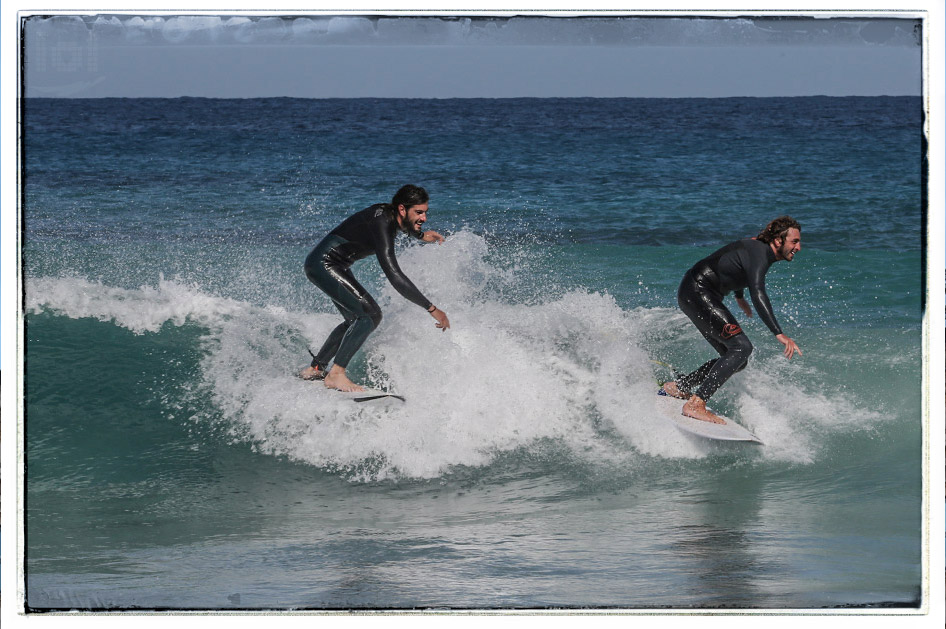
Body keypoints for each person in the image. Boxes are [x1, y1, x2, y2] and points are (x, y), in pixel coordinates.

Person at [298, 184, 450, 392]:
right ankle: (336, 374)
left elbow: (404, 225)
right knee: (371, 315)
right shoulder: (381, 224)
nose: (423, 218)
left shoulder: (388, 214)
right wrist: (432, 309)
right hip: (324, 265)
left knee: (354, 318)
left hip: (327, 265)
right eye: (419, 212)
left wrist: (422, 236)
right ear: (402, 209)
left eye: (424, 213)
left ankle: (316, 368)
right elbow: (394, 275)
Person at [660, 216, 803, 424]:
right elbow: (759, 291)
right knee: (741, 347)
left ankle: (680, 387)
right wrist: (778, 333)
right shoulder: (760, 254)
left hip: (693, 292)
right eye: (795, 241)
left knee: (738, 359)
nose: (798, 247)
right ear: (779, 241)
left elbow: (733, 264)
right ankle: (696, 404)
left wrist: (738, 296)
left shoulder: (757, 249)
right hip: (698, 291)